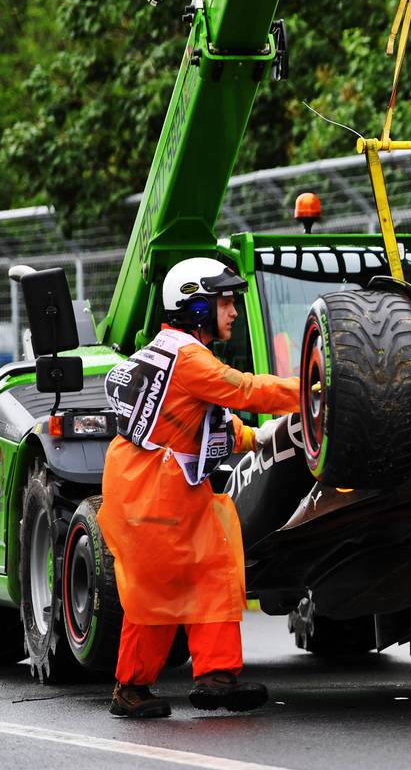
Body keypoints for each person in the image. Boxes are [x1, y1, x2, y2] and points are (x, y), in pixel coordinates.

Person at [101, 257, 301, 718]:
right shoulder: (189, 357)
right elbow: (247, 390)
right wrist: (317, 387)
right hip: (154, 489)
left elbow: (193, 424)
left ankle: (216, 678)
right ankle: (130, 688)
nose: (232, 312)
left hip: (159, 484)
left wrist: (256, 437)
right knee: (158, 590)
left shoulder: (170, 352)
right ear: (195, 307)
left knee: (213, 572)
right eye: (225, 301)